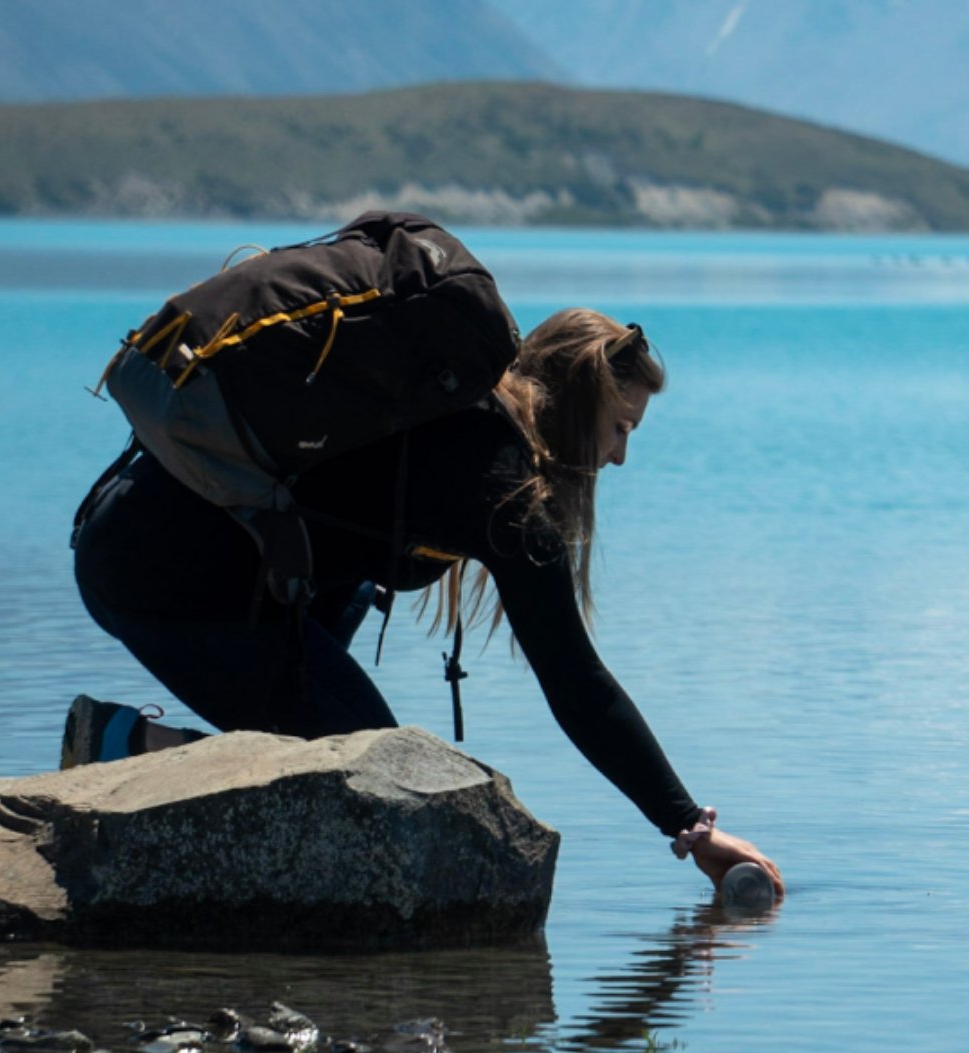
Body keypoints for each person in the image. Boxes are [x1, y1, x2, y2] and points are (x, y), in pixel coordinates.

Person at [66, 308, 784, 897]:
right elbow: (575, 681)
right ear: (582, 405)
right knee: (372, 794)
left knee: (344, 758)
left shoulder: (456, 414)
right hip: (162, 574)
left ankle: (140, 750)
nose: (621, 456)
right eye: (621, 428)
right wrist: (689, 826)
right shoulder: (504, 492)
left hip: (143, 538)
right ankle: (123, 745)